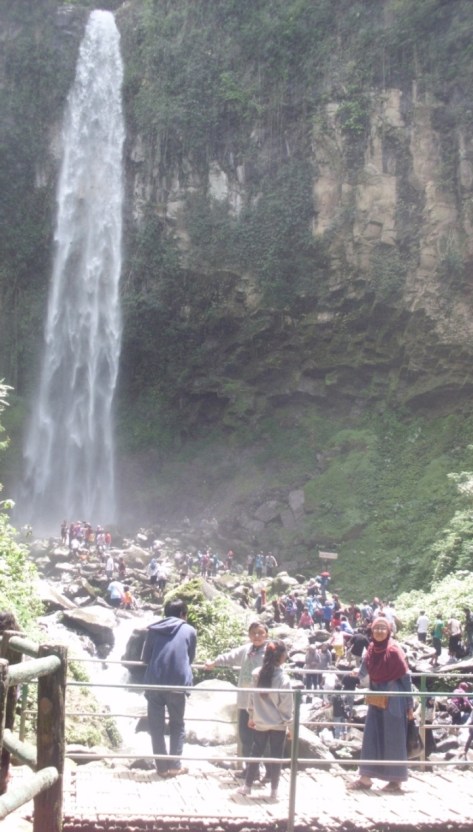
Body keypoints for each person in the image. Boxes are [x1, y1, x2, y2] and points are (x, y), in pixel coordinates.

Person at [348, 616, 414, 792]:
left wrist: (410, 705)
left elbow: (406, 677)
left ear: (389, 631)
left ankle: (396, 780)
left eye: (383, 629)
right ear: (372, 630)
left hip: (394, 699)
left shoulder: (393, 651)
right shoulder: (371, 648)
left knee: (394, 738)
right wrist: (358, 674)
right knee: (371, 735)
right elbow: (365, 667)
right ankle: (365, 777)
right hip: (376, 698)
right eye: (376, 628)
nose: (379, 632)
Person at [141, 598, 197, 777]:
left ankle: (162, 768)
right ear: (183, 615)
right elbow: (190, 657)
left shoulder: (153, 629)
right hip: (177, 684)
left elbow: (145, 658)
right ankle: (175, 765)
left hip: (155, 683)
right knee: (177, 724)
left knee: (156, 726)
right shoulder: (189, 630)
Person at [204, 621, 268, 774]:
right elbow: (230, 656)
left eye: (260, 633)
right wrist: (215, 662)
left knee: (261, 737)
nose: (257, 636)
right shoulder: (246, 649)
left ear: (267, 634)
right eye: (254, 633)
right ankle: (249, 769)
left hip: (262, 702)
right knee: (245, 736)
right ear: (249, 635)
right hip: (245, 701)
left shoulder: (270, 652)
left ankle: (262, 769)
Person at [237, 639, 293, 801]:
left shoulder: (256, 674)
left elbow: (252, 697)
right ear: (282, 657)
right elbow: (286, 707)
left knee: (256, 751)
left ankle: (247, 786)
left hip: (260, 721)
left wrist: (251, 715)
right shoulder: (284, 680)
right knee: (276, 756)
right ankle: (274, 790)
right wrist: (290, 726)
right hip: (278, 724)